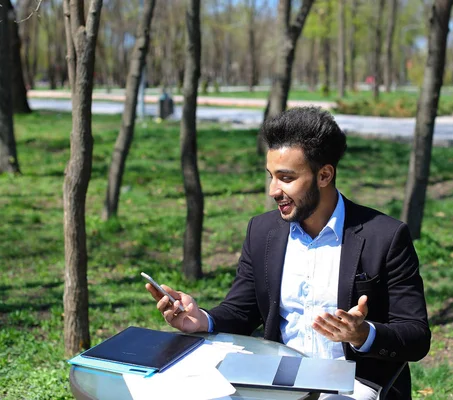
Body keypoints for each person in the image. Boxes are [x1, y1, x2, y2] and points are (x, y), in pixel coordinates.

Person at [146, 107, 431, 399]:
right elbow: (242, 310)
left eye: (286, 178)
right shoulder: (262, 232)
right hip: (276, 378)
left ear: (324, 175)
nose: (273, 190)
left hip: (353, 383)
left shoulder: (384, 236)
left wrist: (363, 334)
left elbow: (416, 336)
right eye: (271, 176)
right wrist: (202, 320)